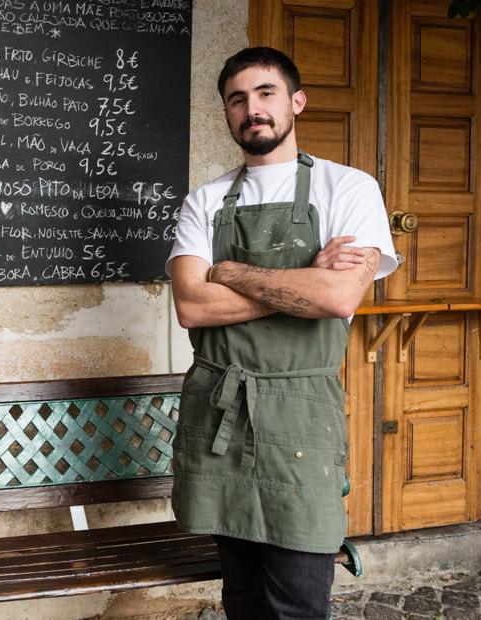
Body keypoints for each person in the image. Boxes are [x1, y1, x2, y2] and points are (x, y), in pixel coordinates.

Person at [167, 47, 397, 619]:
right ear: (227, 113)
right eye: (238, 99)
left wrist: (233, 271)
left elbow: (340, 296)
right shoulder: (205, 200)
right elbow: (192, 306)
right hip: (219, 411)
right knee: (241, 595)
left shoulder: (349, 189)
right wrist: (304, 282)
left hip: (303, 417)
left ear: (296, 101)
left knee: (298, 598)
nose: (253, 109)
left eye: (266, 93)